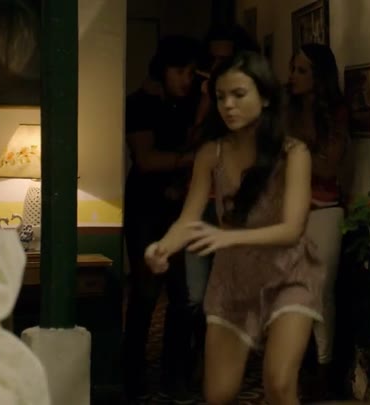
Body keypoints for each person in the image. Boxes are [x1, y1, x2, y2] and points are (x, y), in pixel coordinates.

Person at [145, 51, 324, 405]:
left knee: (279, 383)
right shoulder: (210, 153)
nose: (228, 105)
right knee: (218, 394)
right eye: (221, 97)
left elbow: (292, 229)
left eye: (239, 94)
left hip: (288, 274)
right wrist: (162, 247)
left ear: (266, 97)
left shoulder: (294, 152)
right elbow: (189, 219)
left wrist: (227, 236)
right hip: (233, 278)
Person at [122, 35, 200, 401]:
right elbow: (146, 160)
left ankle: (174, 375)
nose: (187, 79)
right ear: (163, 70)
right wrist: (191, 160)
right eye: (180, 71)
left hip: (180, 204)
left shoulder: (188, 103)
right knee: (145, 292)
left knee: (183, 294)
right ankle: (133, 376)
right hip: (145, 206)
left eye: (191, 72)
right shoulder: (139, 103)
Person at [184, 24, 262, 373]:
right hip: (202, 208)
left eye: (225, 59)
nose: (217, 66)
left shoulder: (253, 107)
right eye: (213, 59)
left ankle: (229, 362)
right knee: (196, 293)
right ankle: (201, 361)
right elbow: (191, 144)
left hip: (239, 211)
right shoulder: (204, 99)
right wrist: (206, 101)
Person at [286, 42, 350, 399]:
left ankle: (324, 370)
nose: (292, 77)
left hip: (324, 210)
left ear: (319, 76)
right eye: (292, 69)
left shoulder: (334, 112)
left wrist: (294, 149)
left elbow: (328, 167)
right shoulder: (286, 109)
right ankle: (298, 368)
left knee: (320, 291)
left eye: (301, 71)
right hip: (289, 212)